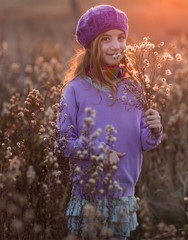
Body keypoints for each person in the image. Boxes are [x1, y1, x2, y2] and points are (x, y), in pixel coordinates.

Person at [57, 5, 163, 239]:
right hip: (88, 196)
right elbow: (63, 142)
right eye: (106, 39)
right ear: (92, 44)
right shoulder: (75, 89)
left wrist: (154, 130)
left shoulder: (133, 87)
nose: (116, 46)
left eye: (121, 37)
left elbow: (144, 140)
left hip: (123, 198)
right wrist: (98, 152)